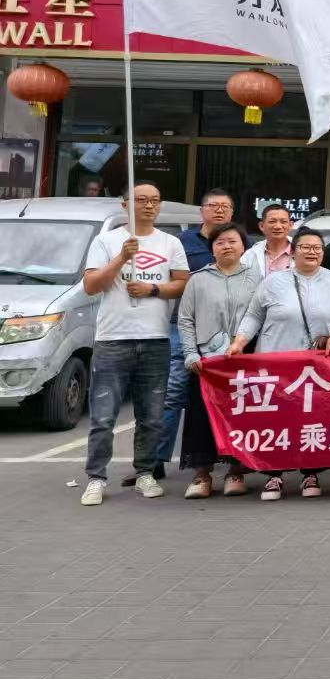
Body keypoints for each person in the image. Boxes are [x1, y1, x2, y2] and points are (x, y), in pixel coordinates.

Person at [78, 182, 190, 507]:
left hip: (155, 339)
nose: (149, 205)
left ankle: (145, 472)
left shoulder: (170, 242)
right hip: (112, 339)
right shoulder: (107, 240)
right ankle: (96, 478)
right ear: (125, 204)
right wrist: (121, 258)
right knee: (103, 416)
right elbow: (90, 285)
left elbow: (182, 283)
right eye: (141, 200)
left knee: (151, 415)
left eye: (155, 200)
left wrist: (153, 290)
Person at [228, 228, 330, 502]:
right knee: (277, 420)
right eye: (306, 247)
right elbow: (253, 315)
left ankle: (310, 473)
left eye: (317, 248)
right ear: (294, 251)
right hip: (277, 363)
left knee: (313, 419)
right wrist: (240, 342)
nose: (312, 252)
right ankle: (274, 474)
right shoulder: (274, 281)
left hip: (317, 366)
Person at [152, 187, 242, 483]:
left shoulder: (242, 243)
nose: (219, 210)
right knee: (175, 391)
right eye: (213, 205)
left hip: (230, 332)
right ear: (202, 211)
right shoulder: (182, 242)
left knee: (230, 395)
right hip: (185, 326)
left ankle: (231, 458)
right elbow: (168, 279)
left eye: (225, 206)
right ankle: (156, 460)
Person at [177, 222, 259, 501]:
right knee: (202, 416)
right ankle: (202, 474)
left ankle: (236, 471)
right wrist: (190, 353)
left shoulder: (255, 278)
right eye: (220, 242)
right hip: (206, 361)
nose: (227, 246)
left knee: (241, 415)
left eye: (232, 241)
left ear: (243, 246)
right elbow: (185, 319)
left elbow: (261, 316)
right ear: (212, 248)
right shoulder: (198, 279)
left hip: (243, 358)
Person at [241, 203, 295, 274]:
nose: (278, 226)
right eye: (272, 221)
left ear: (290, 225)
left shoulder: (302, 250)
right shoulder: (251, 254)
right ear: (261, 226)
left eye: (283, 222)